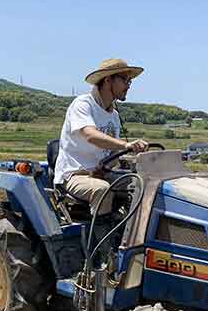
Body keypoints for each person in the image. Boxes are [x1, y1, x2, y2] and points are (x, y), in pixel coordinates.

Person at [54, 58, 149, 217]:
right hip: (75, 175)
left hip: (101, 173)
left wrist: (117, 162)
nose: (127, 86)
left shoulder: (114, 116)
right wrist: (126, 145)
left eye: (130, 82)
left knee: (142, 184)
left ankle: (134, 231)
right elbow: (90, 135)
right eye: (124, 80)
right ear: (107, 80)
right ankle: (103, 238)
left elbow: (112, 154)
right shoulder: (83, 105)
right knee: (102, 190)